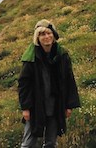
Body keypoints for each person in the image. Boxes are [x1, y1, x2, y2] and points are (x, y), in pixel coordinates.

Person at [18, 19, 81, 148]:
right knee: (28, 143)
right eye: (42, 34)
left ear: (54, 35)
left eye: (49, 33)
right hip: (36, 106)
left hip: (55, 105)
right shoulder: (31, 57)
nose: (46, 37)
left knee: (51, 143)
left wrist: (69, 105)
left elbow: (69, 80)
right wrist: (25, 107)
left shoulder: (62, 55)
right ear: (37, 38)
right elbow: (24, 84)